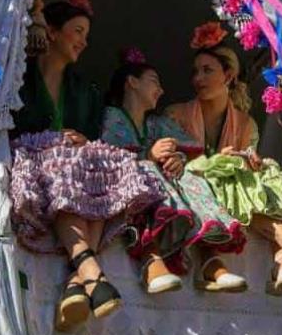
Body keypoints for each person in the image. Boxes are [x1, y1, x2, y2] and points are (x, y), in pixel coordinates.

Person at [9, 0, 166, 331]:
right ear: (50, 32)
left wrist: (79, 138)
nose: (84, 41)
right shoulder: (18, 78)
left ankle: (79, 282)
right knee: (63, 166)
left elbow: (92, 137)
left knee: (96, 165)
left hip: (72, 163)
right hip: (35, 159)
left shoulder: (86, 91)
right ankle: (88, 270)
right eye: (77, 31)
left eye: (86, 34)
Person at [167, 23, 282, 295]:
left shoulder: (247, 124)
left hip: (232, 189)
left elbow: (245, 168)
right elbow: (172, 160)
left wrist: (250, 161)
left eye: (207, 70)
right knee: (233, 178)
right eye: (196, 72)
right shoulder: (175, 114)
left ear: (228, 75)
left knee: (265, 178)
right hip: (192, 186)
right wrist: (220, 161)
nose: (198, 79)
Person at [100, 50, 247, 293]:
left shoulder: (156, 123)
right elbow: (108, 157)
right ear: (132, 83)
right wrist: (149, 156)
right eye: (154, 82)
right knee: (146, 171)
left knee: (188, 175)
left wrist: (177, 159)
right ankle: (151, 258)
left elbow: (191, 150)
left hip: (158, 179)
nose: (162, 90)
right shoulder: (111, 116)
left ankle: (209, 258)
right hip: (128, 185)